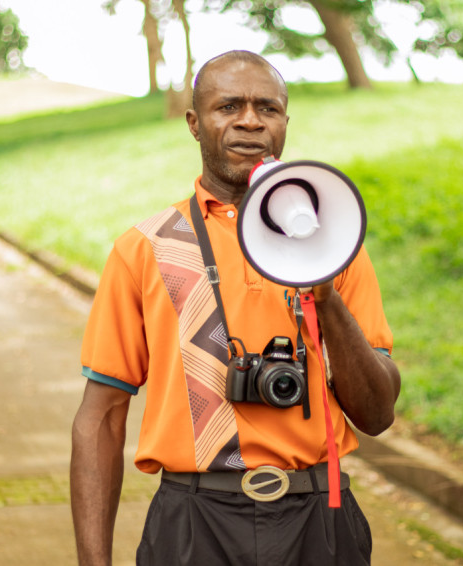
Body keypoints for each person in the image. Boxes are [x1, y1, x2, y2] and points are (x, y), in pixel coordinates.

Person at [70, 50, 401, 566]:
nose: (250, 120)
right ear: (194, 123)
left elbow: (377, 414)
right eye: (229, 106)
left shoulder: (337, 244)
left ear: (285, 122)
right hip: (192, 521)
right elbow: (101, 417)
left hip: (319, 516)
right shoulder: (144, 248)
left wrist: (326, 297)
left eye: (267, 108)